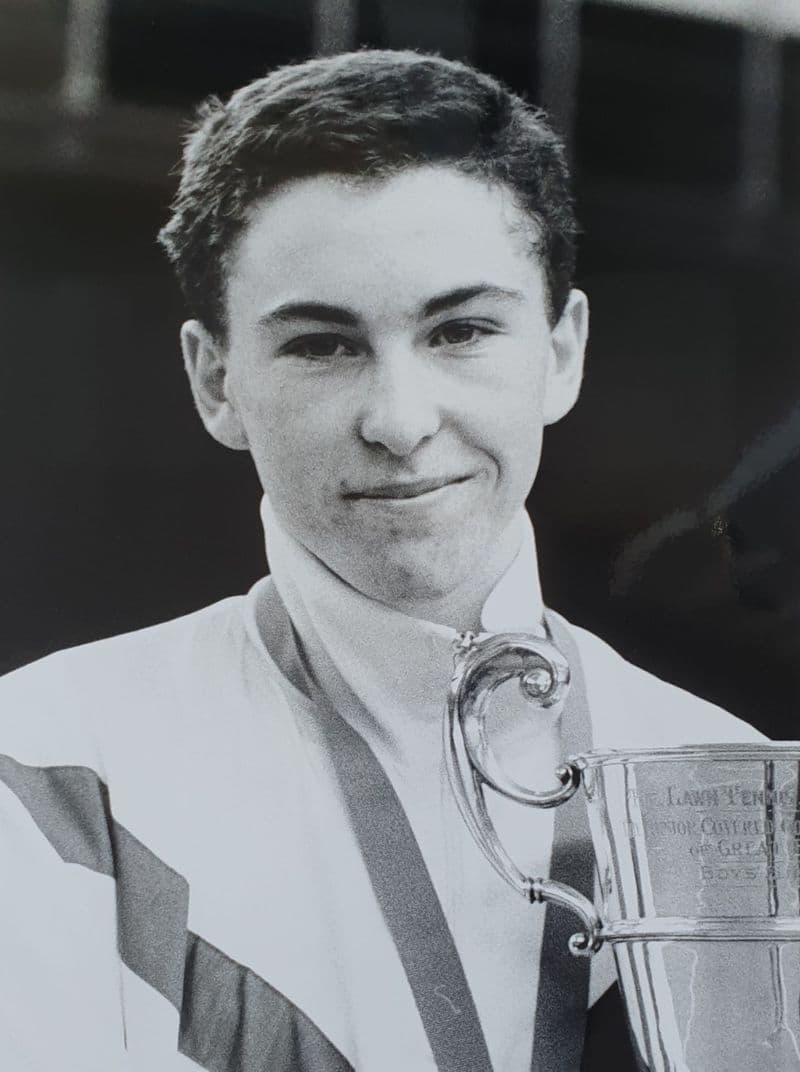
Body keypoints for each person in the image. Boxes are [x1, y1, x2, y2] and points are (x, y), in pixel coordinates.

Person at [0, 49, 760, 1072]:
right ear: (216, 382)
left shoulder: (723, 779)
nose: (400, 422)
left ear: (561, 352)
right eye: (323, 345)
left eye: (461, 330)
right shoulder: (49, 775)